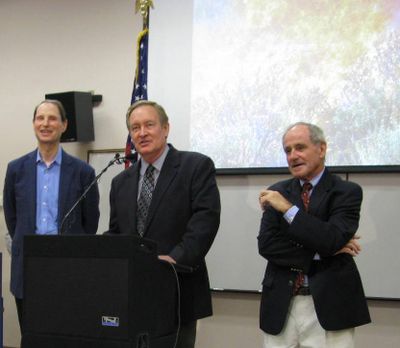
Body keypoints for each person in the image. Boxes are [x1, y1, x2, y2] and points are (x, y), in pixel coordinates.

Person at [107, 100, 221, 348]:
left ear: (166, 128)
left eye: (149, 124)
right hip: (131, 295)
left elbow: (205, 220)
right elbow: (117, 233)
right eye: (135, 127)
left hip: (177, 289)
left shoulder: (195, 166)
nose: (142, 132)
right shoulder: (120, 182)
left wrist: (175, 259)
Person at [258, 122, 370, 348]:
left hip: (331, 303)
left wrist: (288, 209)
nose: (293, 156)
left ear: (321, 149)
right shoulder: (277, 191)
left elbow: (331, 239)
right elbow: (267, 245)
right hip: (281, 301)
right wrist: (322, 251)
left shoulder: (347, 191)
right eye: (287, 150)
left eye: (300, 147)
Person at [3, 99, 100, 332]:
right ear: (34, 124)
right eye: (40, 118)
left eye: (52, 118)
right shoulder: (16, 169)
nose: (45, 124)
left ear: (64, 125)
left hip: (68, 267)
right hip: (27, 267)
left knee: (66, 334)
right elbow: (12, 217)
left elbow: (90, 224)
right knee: (32, 335)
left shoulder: (83, 172)